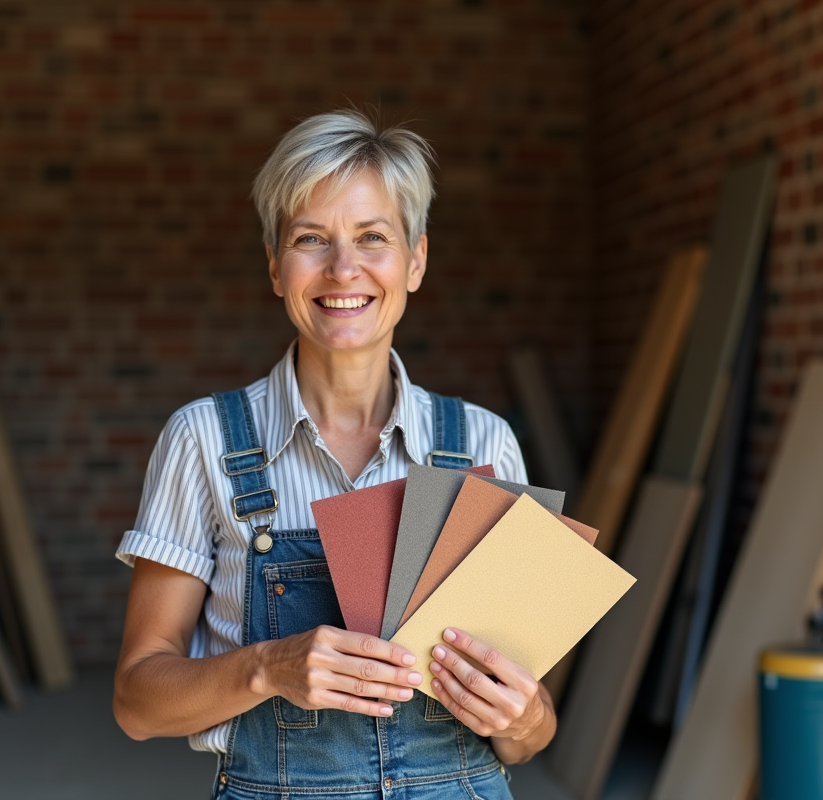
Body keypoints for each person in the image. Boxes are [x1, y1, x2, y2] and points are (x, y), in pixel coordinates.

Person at [113, 109, 556, 799]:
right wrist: (266, 668)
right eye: (311, 239)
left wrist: (522, 717)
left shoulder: (483, 444)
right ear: (274, 266)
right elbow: (137, 704)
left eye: (373, 237)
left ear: (416, 260)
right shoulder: (202, 440)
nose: (342, 268)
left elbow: (529, 734)